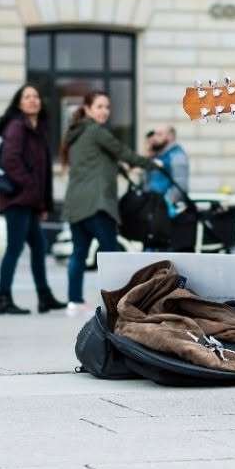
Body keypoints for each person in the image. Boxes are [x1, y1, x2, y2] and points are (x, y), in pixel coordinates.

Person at [61, 91, 160, 316]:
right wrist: (152, 164)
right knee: (111, 254)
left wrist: (121, 168)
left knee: (79, 253)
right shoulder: (96, 131)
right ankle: (115, 303)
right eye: (99, 106)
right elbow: (122, 152)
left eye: (107, 107)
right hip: (98, 204)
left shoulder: (76, 134)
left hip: (76, 204)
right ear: (87, 109)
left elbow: (101, 162)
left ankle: (74, 301)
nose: (104, 111)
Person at [0, 85, 65, 315]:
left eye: (36, 96)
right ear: (19, 103)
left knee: (39, 246)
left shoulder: (37, 129)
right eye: (27, 97)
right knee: (14, 248)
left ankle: (44, 297)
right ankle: (2, 299)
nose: (33, 100)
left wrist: (41, 202)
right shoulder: (17, 127)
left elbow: (43, 171)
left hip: (29, 200)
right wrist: (30, 187)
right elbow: (10, 160)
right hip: (17, 199)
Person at [146, 126, 190, 213]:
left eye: (159, 134)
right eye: (154, 134)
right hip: (153, 206)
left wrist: (165, 203)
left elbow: (180, 185)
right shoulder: (159, 155)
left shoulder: (177, 156)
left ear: (170, 137)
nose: (154, 137)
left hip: (164, 210)